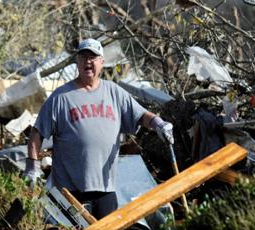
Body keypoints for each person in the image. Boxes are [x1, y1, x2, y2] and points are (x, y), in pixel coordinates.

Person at [24, 38, 174, 219]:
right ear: (77, 62)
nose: (88, 61)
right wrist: (32, 166)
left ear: (102, 62)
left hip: (106, 188)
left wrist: (159, 123)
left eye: (93, 57)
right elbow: (37, 133)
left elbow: (140, 115)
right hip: (70, 191)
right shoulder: (61, 97)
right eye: (83, 57)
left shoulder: (114, 92)